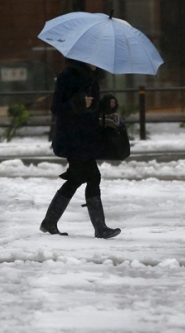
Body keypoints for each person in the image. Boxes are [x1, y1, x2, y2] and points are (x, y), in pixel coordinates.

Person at [41, 59, 121, 239]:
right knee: (93, 176)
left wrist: (106, 104)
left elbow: (90, 109)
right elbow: (56, 108)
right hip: (72, 138)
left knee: (76, 178)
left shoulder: (93, 78)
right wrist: (78, 102)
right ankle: (100, 228)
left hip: (86, 138)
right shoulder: (67, 77)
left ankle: (49, 222)